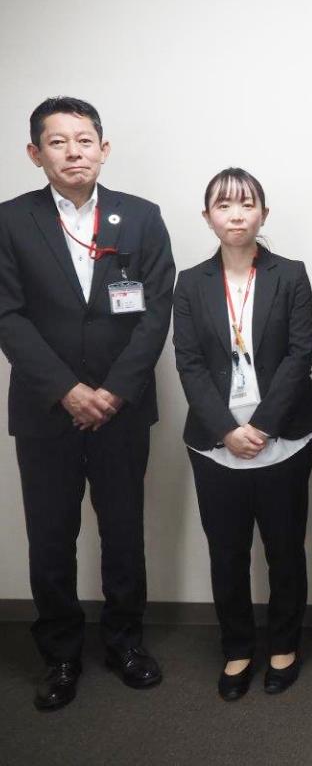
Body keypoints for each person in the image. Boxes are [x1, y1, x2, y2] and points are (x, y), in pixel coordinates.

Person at [0, 97, 175, 710]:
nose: (73, 152)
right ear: (35, 153)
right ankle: (60, 654)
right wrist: (66, 390)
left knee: (123, 531)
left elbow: (156, 311)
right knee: (51, 535)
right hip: (45, 408)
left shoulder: (142, 217)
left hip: (122, 408)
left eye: (84, 140)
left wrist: (114, 391)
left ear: (104, 147)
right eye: (58, 142)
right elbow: (7, 315)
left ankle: (126, 642)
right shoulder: (10, 220)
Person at [173, 168, 312, 700]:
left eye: (246, 204)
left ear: (263, 213)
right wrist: (227, 429)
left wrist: (260, 426)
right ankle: (237, 648)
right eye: (224, 205)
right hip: (216, 445)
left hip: (284, 438)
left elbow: (300, 354)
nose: (236, 215)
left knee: (285, 548)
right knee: (227, 552)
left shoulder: (291, 274)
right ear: (207, 216)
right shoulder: (190, 282)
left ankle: (284, 645)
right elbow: (189, 363)